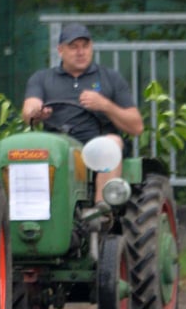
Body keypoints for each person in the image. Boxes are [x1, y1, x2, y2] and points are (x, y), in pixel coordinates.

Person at [22, 23, 144, 202]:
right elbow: (29, 108)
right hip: (56, 147)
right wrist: (37, 112)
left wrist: (105, 105)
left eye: (85, 46)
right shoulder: (42, 78)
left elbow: (137, 127)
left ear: (91, 48)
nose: (81, 52)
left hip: (96, 147)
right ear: (60, 50)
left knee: (112, 142)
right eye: (73, 47)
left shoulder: (110, 77)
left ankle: (101, 213)